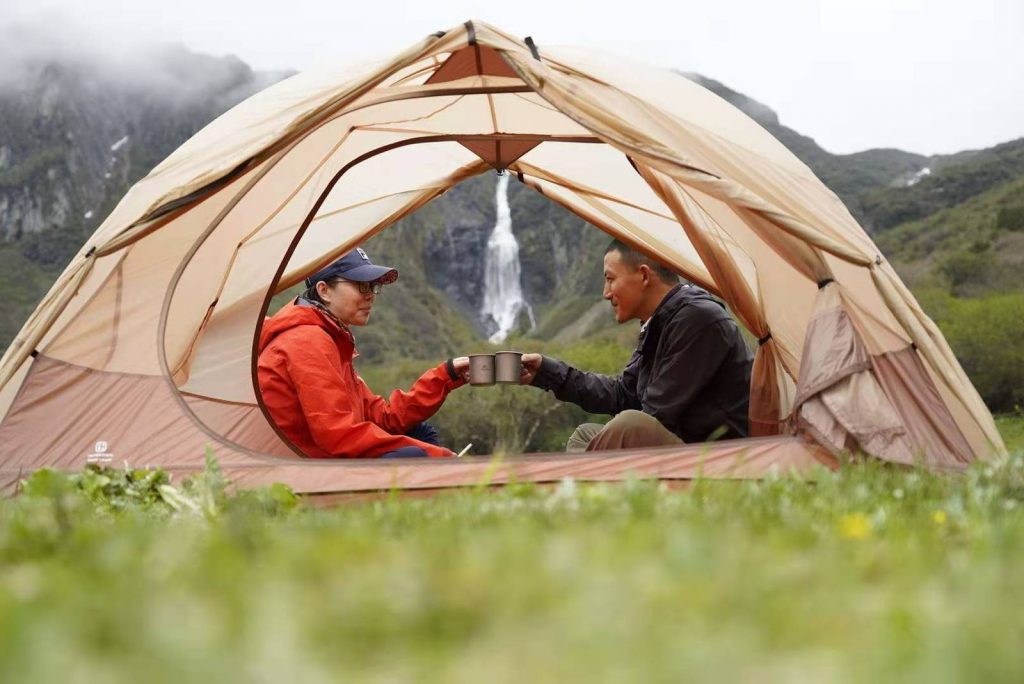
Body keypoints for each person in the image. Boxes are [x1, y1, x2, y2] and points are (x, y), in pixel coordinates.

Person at [520, 240, 752, 451]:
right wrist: (546, 372)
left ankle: (589, 481)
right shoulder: (659, 322)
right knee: (585, 435)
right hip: (679, 446)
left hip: (717, 456)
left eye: (610, 279)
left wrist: (620, 431)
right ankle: (593, 480)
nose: (605, 293)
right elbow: (623, 395)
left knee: (629, 425)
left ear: (643, 275)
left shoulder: (698, 319)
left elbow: (655, 415)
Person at [257, 247, 469, 458]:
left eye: (373, 286)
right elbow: (338, 435)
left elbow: (383, 417)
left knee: (420, 432)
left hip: (327, 457)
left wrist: (446, 375)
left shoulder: (331, 337)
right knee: (413, 455)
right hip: (307, 467)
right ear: (324, 291)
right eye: (362, 285)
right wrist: (440, 458)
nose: (371, 296)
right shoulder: (306, 341)